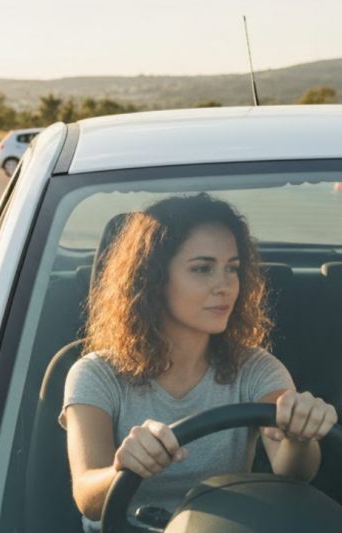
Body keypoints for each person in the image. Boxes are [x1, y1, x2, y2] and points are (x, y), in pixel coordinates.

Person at [61, 193, 338, 532]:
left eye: (232, 268)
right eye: (202, 269)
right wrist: (123, 468)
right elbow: (87, 496)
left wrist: (299, 435)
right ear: (154, 279)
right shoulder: (95, 374)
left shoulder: (256, 367)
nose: (225, 286)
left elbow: (294, 473)